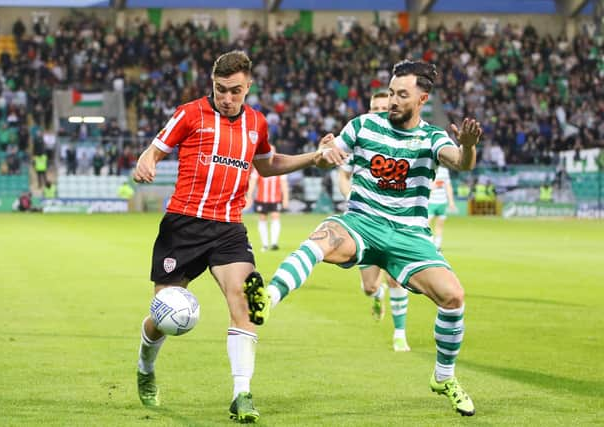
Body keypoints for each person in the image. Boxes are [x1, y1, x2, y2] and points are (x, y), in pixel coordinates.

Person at [246, 60, 482, 417]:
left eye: (402, 95)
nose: (392, 101)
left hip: (409, 235)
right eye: (390, 92)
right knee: (322, 237)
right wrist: (326, 153)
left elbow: (461, 163)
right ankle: (267, 297)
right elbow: (330, 156)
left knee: (454, 297)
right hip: (362, 222)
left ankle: (443, 376)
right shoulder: (363, 125)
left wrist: (466, 147)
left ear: (422, 99)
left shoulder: (432, 137)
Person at [132, 50, 345, 423]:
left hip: (229, 228)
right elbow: (155, 149)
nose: (226, 98)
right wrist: (146, 161)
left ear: (248, 88)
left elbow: (267, 164)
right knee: (164, 318)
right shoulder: (190, 113)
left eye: (234, 91)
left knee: (245, 304)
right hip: (183, 225)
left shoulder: (256, 123)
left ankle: (241, 394)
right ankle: (145, 367)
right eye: (220, 90)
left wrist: (315, 156)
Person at [337, 90, 410, 351]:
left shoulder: (404, 142)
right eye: (375, 108)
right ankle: (376, 295)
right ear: (369, 111)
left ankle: (400, 333)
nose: (380, 112)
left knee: (396, 279)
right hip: (365, 222)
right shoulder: (360, 142)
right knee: (370, 286)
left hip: (395, 222)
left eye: (384, 107)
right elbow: (343, 176)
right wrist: (351, 196)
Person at [245, 165, 289, 251]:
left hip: (275, 199)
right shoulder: (259, 169)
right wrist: (249, 196)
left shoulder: (279, 168)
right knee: (262, 218)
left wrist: (286, 198)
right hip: (262, 199)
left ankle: (274, 243)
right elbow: (252, 183)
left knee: (275, 216)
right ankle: (265, 244)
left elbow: (284, 184)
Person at [428, 166, 457, 251]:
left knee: (440, 224)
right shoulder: (428, 169)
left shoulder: (444, 170)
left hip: (442, 202)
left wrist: (451, 201)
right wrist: (430, 187)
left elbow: (448, 186)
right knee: (426, 224)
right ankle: (430, 242)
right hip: (431, 202)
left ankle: (438, 245)